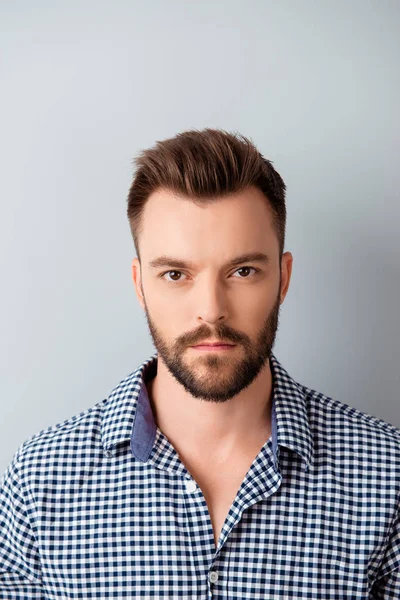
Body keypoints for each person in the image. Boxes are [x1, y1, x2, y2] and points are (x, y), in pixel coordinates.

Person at [0, 128, 398, 599]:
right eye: (175, 274)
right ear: (139, 284)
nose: (211, 309)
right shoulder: (39, 482)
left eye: (243, 271)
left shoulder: (388, 478)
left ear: (283, 278)